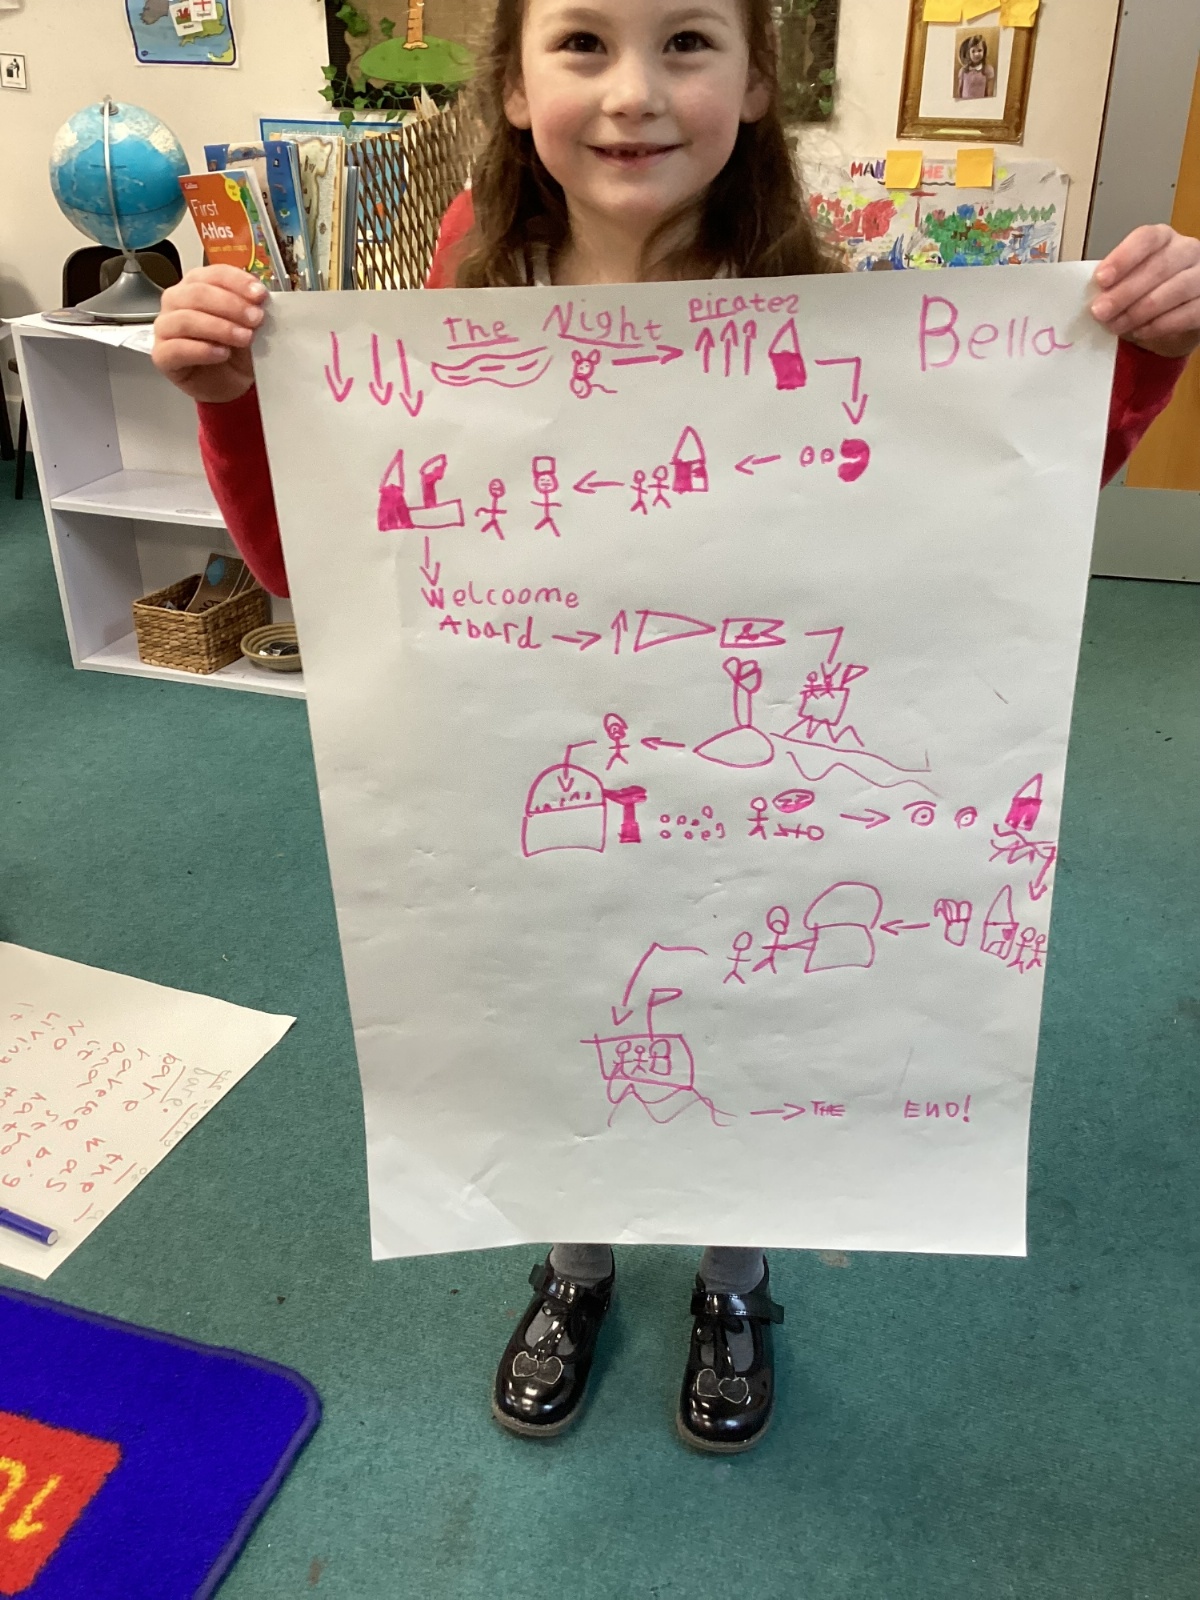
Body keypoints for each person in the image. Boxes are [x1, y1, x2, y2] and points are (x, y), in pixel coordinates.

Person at [152, 0, 1200, 1453]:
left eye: (689, 42)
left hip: (749, 790)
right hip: (528, 766)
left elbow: (988, 534)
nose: (634, 91)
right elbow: (308, 573)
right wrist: (232, 403)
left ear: (759, 80)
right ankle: (575, 1260)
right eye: (582, 43)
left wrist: (1133, 359)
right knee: (551, 991)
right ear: (512, 87)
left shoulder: (832, 314)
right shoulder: (454, 307)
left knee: (752, 1009)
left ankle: (733, 1278)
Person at [956, 33, 995, 101]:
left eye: (979, 50)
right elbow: (959, 90)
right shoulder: (963, 71)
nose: (976, 54)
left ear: (984, 51)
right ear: (969, 53)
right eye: (973, 51)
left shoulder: (987, 70)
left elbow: (989, 93)